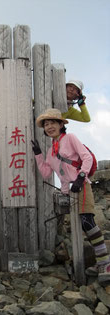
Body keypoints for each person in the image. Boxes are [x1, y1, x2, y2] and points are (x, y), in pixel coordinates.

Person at [31, 108, 110, 283]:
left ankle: (105, 263)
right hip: (69, 192)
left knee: (87, 220)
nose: (49, 126)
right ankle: (99, 260)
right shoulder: (51, 152)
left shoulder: (71, 138)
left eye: (52, 122)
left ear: (61, 124)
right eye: (46, 124)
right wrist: (38, 154)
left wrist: (81, 177)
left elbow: (86, 157)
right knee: (82, 225)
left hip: (81, 186)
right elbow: (46, 173)